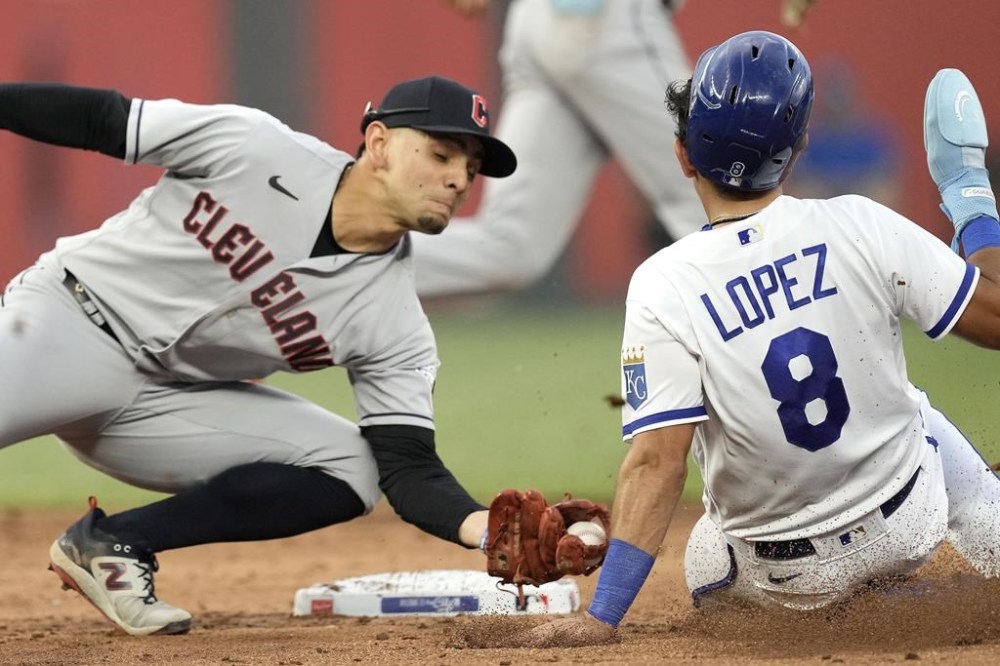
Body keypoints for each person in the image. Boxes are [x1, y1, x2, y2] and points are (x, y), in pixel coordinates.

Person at [501, 32, 1000, 647]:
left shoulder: (664, 283)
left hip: (784, 580)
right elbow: (995, 317)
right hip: (908, 520)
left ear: (684, 156)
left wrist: (601, 617)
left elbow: (658, 461)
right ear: (798, 153)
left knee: (707, 563)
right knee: (919, 415)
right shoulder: (859, 223)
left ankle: (878, 611)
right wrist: (968, 194)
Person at [0, 75, 518, 636]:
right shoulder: (255, 146)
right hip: (69, 323)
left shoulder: (393, 320)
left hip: (156, 407)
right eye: (442, 154)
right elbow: (106, 118)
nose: (458, 179)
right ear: (378, 143)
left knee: (353, 467)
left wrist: (491, 529)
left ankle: (111, 545)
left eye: (470, 168)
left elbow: (407, 465)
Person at [413, 0, 704, 297]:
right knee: (717, 191)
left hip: (537, 23)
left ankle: (366, 259)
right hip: (607, 20)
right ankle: (746, 336)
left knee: (510, 247)